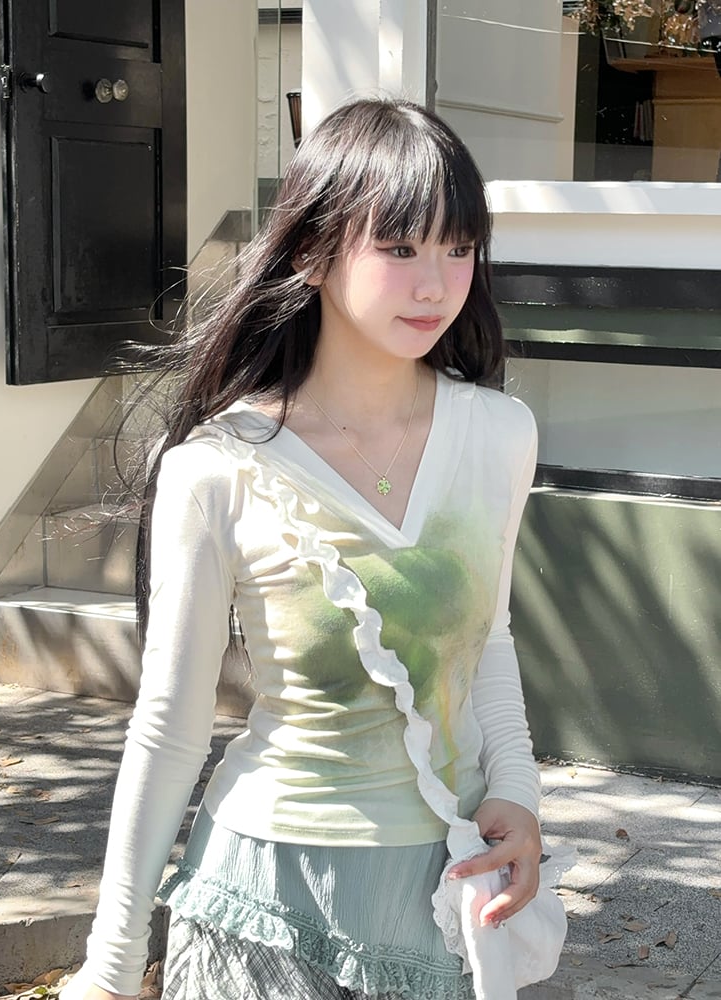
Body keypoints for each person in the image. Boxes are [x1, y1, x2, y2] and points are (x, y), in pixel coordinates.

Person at [62, 97, 543, 1000]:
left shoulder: (500, 433)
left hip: (443, 899)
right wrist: (111, 966)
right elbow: (169, 729)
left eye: (458, 249)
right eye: (399, 248)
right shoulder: (218, 469)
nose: (437, 285)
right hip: (261, 904)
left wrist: (517, 793)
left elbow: (490, 641)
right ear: (313, 252)